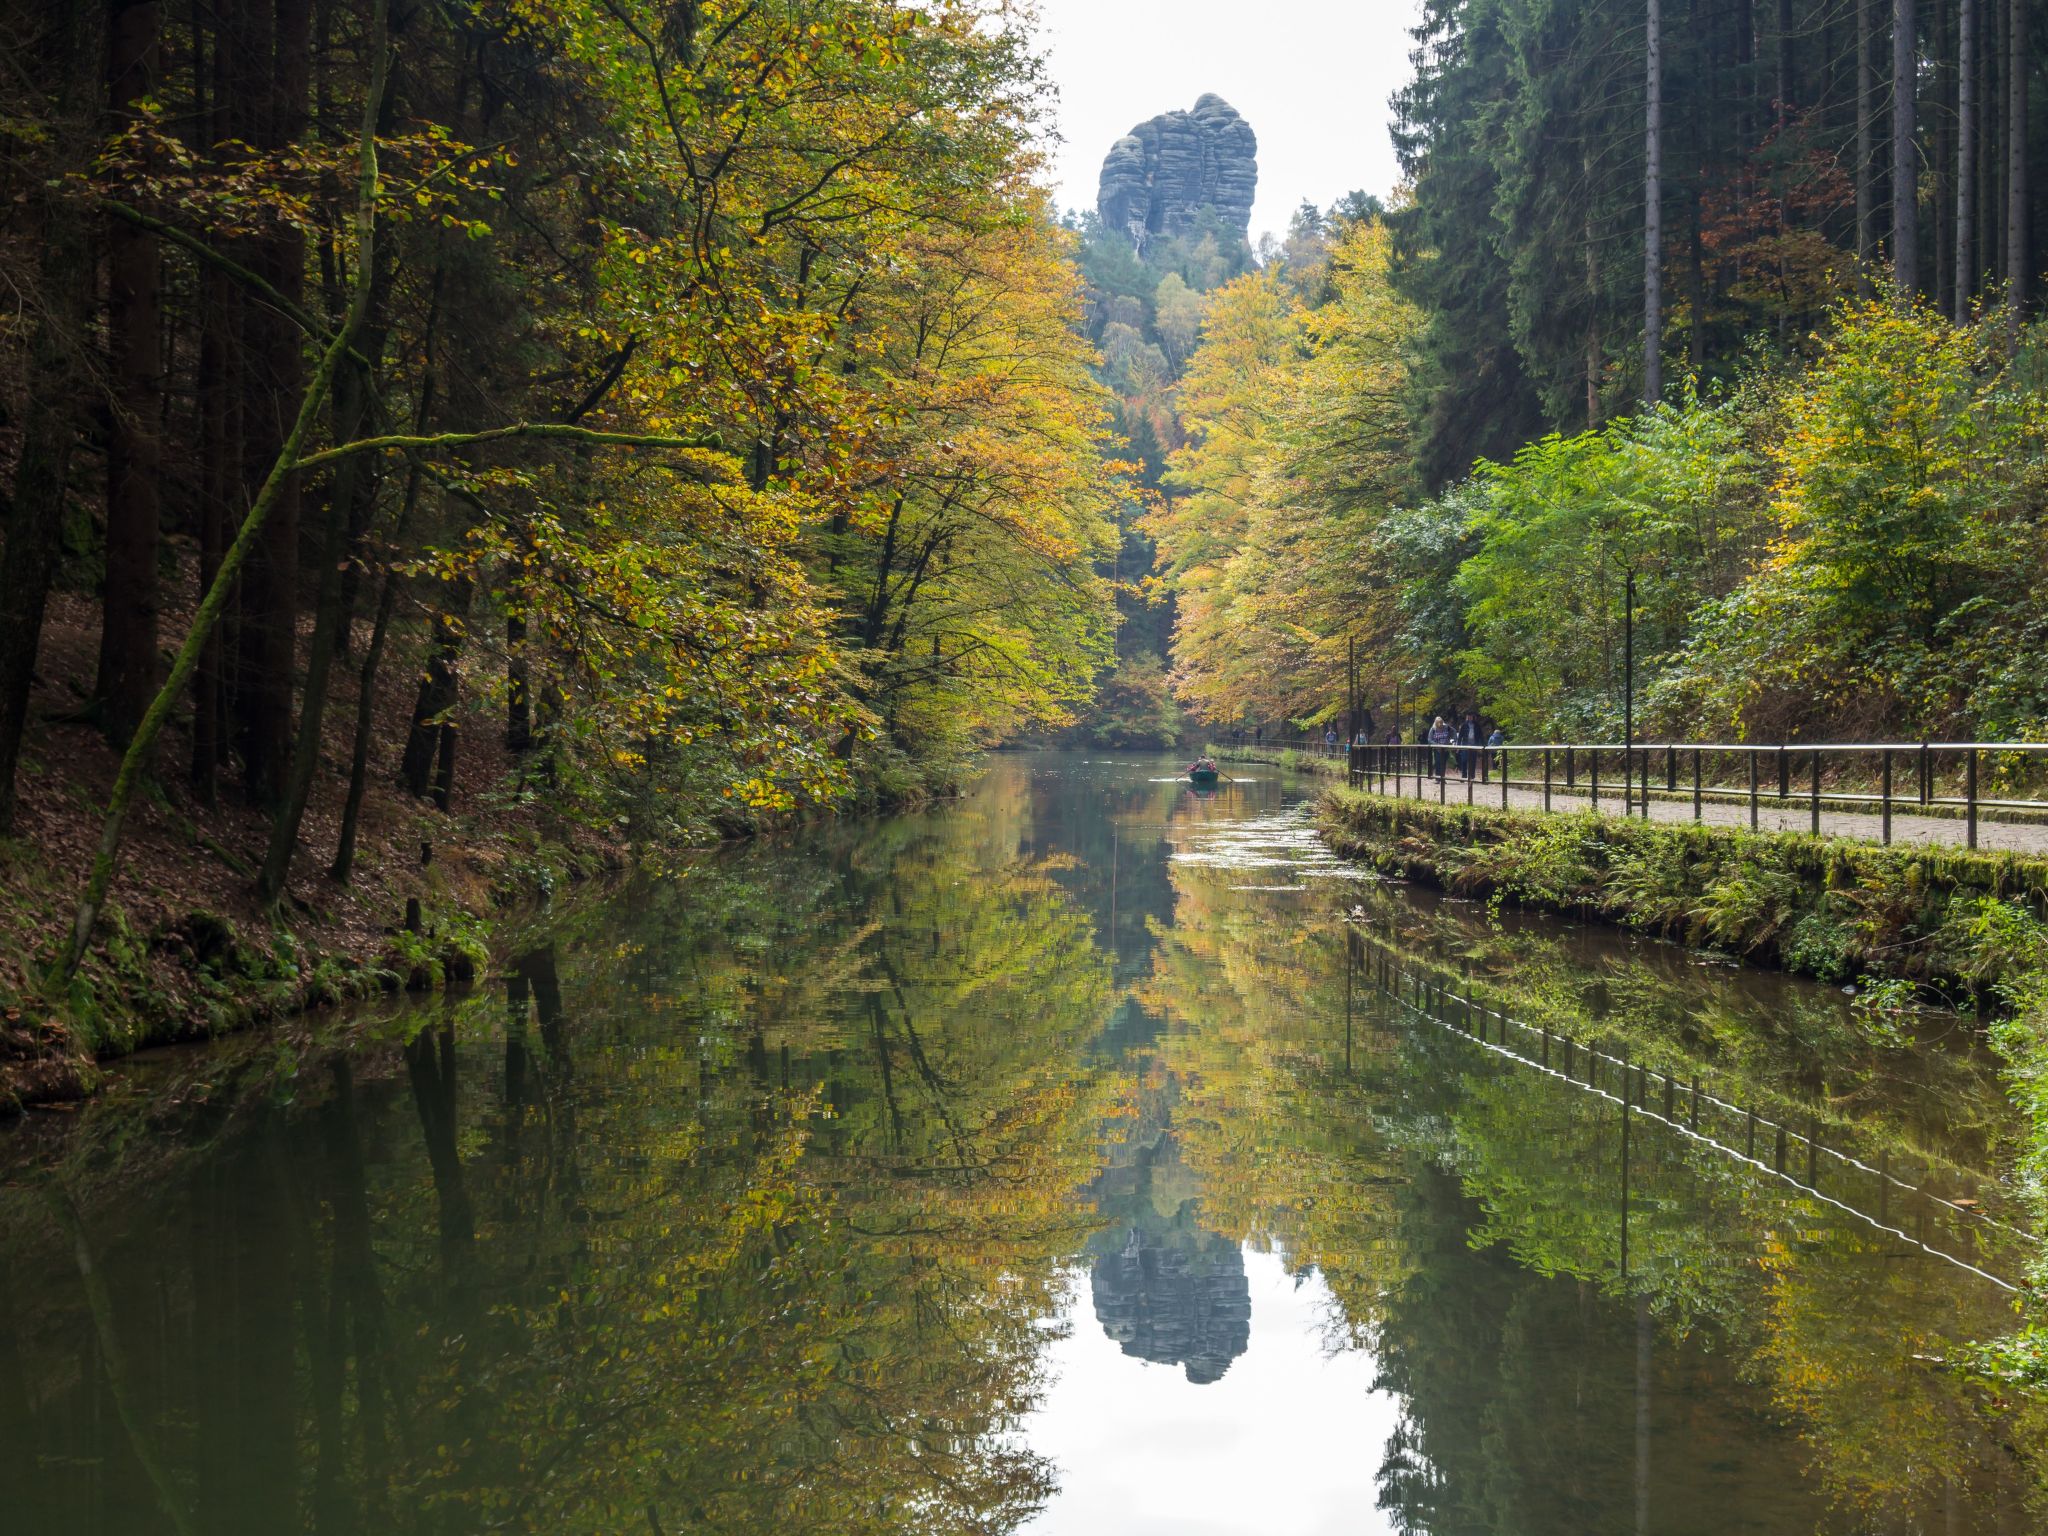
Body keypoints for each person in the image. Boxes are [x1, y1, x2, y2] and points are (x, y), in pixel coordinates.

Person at [1457, 712, 1482, 779]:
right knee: (1464, 760)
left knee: (1473, 760)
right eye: (1469, 716)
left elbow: (1481, 736)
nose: (1470, 718)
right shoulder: (1464, 725)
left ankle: (1472, 775)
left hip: (1474, 745)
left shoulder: (1477, 725)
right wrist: (1458, 746)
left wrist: (1483, 745)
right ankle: (1464, 775)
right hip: (1465, 745)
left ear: (1473, 717)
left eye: (1471, 716)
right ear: (1467, 717)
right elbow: (1460, 736)